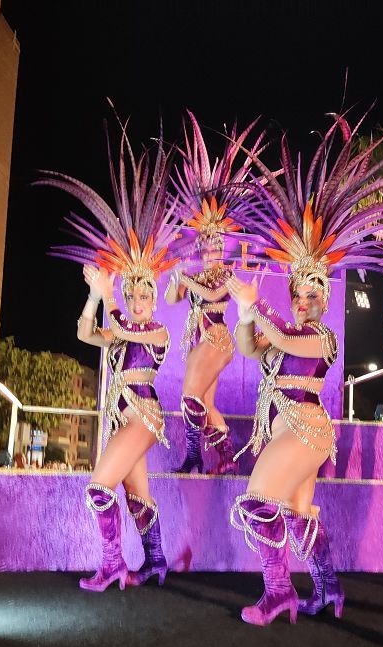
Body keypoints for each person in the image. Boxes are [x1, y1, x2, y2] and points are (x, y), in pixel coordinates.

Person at [225, 113, 383, 626]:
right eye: (299, 293)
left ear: (323, 301)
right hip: (290, 429)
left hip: (307, 429)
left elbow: (280, 335)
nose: (304, 300)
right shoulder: (281, 339)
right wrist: (244, 313)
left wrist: (257, 304)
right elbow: (250, 348)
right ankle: (329, 590)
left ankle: (279, 592)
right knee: (298, 516)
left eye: (313, 294)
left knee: (257, 498)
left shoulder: (319, 336)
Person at [38, 129, 191, 592]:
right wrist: (93, 296)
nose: (142, 299)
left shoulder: (157, 330)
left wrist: (110, 298)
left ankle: (112, 566)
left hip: (143, 416)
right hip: (123, 418)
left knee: (99, 488)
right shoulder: (120, 328)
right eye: (135, 292)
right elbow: (86, 333)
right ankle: (157, 560)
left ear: (153, 300)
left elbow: (123, 328)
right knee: (137, 495)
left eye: (147, 293)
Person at [166, 113, 262, 476]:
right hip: (198, 341)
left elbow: (214, 291)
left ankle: (193, 457)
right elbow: (173, 300)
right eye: (206, 244)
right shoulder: (197, 272)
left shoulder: (224, 274)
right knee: (203, 403)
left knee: (190, 398)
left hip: (218, 338)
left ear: (223, 246)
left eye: (217, 244)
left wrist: (186, 280)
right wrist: (176, 280)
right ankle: (224, 460)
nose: (211, 249)